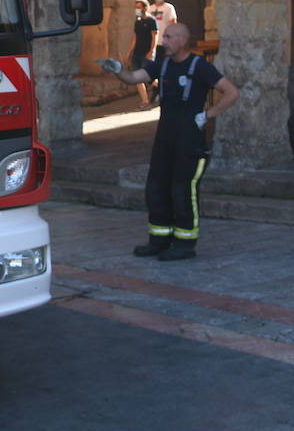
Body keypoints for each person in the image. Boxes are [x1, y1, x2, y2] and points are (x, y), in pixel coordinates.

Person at [96, 22, 239, 261]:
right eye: (164, 37)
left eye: (169, 37)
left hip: (190, 140)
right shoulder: (161, 65)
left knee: (182, 191)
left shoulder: (199, 66)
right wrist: (118, 69)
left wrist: (207, 116)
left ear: (183, 40)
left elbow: (232, 92)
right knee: (156, 188)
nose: (164, 42)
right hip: (165, 138)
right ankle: (159, 240)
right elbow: (133, 77)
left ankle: (185, 244)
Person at [145, 0, 177, 104]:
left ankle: (164, 92)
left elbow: (173, 24)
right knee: (154, 69)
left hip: (165, 44)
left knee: (165, 68)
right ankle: (156, 91)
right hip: (153, 44)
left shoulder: (169, 8)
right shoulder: (150, 9)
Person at [126, 0, 158, 109]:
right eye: (136, 7)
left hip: (146, 53)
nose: (137, 10)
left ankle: (165, 88)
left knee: (149, 78)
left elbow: (155, 37)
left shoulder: (152, 21)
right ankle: (145, 102)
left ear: (145, 8)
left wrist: (152, 51)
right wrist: (129, 52)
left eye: (139, 7)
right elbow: (135, 38)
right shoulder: (138, 22)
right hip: (137, 53)